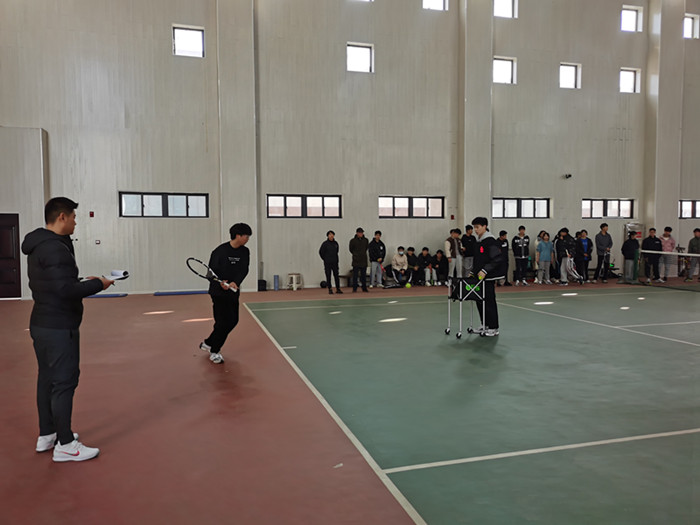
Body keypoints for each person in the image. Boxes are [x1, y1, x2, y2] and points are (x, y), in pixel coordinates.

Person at [21, 197, 113, 462]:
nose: (75, 222)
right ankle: (65, 444)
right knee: (64, 382)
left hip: (42, 322)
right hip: (59, 327)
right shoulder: (55, 248)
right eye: (73, 217)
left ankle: (47, 434)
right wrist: (100, 284)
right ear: (61, 217)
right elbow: (65, 290)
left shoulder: (40, 244)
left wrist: (84, 281)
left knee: (47, 379)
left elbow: (56, 283)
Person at [200, 223, 252, 364]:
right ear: (238, 236)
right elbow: (210, 274)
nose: (248, 239)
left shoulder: (245, 251)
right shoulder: (219, 251)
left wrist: (236, 282)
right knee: (222, 322)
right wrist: (220, 283)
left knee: (233, 320)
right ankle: (214, 351)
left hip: (233, 291)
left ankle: (208, 343)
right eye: (246, 236)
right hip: (218, 292)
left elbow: (244, 269)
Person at [471, 217, 506, 337]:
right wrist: (473, 271)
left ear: (484, 226)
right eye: (474, 227)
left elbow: (497, 259)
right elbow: (478, 260)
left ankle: (493, 328)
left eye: (477, 227)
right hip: (479, 277)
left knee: (489, 301)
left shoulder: (490, 241)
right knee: (479, 300)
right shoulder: (478, 241)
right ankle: (485, 324)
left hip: (488, 277)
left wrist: (485, 270)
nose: (475, 230)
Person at [319, 230, 343, 294]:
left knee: (336, 275)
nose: (331, 236)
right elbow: (321, 252)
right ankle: (330, 288)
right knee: (328, 276)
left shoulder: (336, 243)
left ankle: (338, 288)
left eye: (332, 234)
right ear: (327, 236)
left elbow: (337, 251)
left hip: (335, 262)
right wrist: (325, 259)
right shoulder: (325, 244)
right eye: (330, 234)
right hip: (327, 263)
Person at [349, 227, 369, 292]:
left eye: (362, 233)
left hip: (363, 260)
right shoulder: (353, 241)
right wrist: (355, 255)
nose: (361, 234)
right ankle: (354, 288)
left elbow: (366, 248)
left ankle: (364, 288)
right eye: (360, 233)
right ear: (357, 233)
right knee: (355, 275)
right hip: (356, 260)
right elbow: (351, 249)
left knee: (363, 275)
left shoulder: (366, 240)